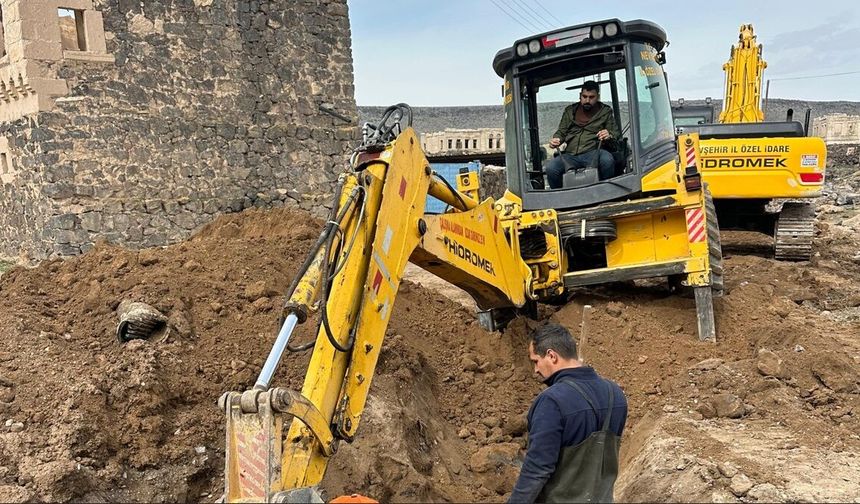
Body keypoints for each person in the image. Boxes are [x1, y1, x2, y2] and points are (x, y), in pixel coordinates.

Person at [508, 323, 628, 503]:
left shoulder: (552, 401)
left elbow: (537, 468)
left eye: (535, 361)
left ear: (551, 356)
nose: (536, 369)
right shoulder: (615, 394)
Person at [545, 81, 621, 188]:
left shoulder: (605, 112)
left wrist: (608, 135)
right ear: (580, 96)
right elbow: (561, 131)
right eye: (584, 96)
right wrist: (556, 139)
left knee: (607, 160)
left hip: (594, 153)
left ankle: (607, 190)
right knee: (551, 169)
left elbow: (615, 133)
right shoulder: (570, 111)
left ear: (597, 97)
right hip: (570, 155)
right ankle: (560, 197)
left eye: (591, 97)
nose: (587, 100)